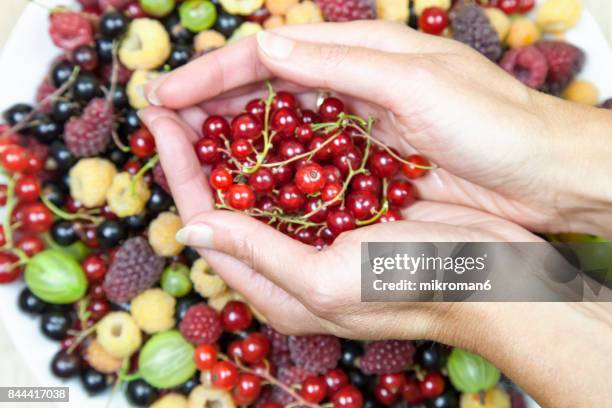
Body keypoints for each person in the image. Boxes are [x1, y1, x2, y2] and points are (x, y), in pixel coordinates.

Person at [138, 21, 612, 408]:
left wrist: (461, 289)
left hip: (359, 183)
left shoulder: (366, 165)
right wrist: (548, 154)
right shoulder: (316, 162)